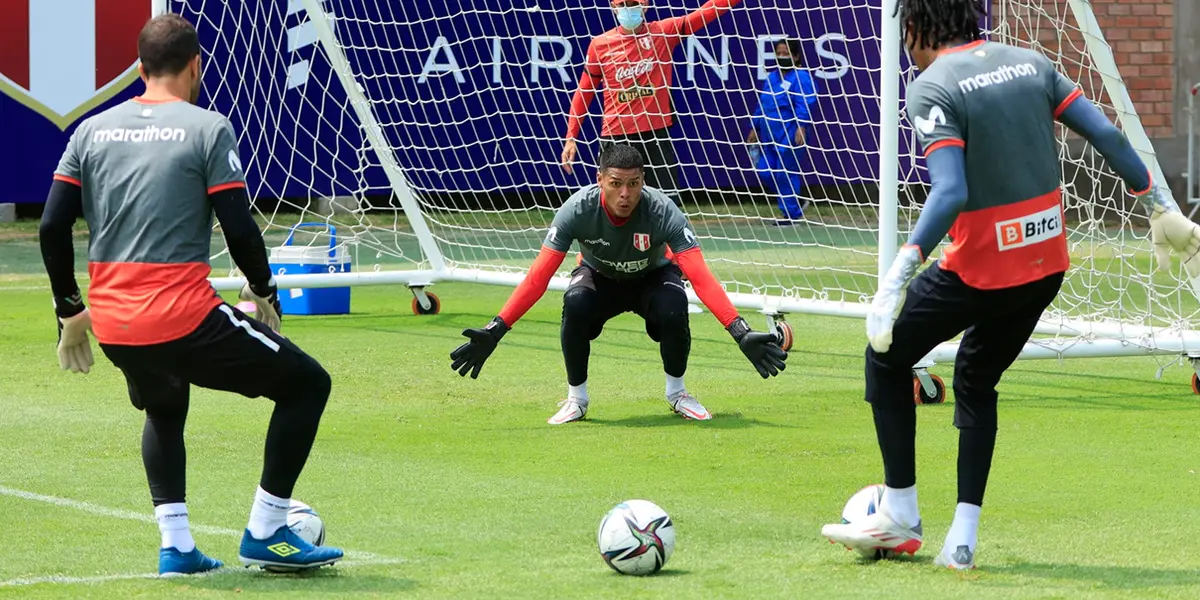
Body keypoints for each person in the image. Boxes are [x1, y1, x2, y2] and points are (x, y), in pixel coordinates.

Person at [819, 0, 1200, 570]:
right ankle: (962, 543)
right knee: (975, 378)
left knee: (886, 359)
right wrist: (1159, 205)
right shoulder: (1031, 62)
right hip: (1046, 266)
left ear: (918, 26)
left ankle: (900, 515)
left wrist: (898, 273)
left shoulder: (932, 86)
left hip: (978, 272)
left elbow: (949, 193)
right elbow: (1109, 136)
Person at [39, 14, 345, 575]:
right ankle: (268, 529)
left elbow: (51, 228)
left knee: (163, 402)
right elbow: (240, 226)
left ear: (138, 69)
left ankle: (176, 547)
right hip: (182, 318)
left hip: (113, 324)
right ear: (195, 66)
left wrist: (70, 311)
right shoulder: (207, 127)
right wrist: (264, 293)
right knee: (307, 384)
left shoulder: (90, 130)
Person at [451, 144, 788, 424]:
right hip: (600, 278)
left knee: (675, 305)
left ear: (643, 181)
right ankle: (577, 399)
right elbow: (538, 277)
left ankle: (677, 393)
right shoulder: (576, 211)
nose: (625, 194)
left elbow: (700, 275)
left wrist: (740, 331)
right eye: (615, 184)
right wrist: (496, 328)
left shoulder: (664, 211)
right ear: (600, 180)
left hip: (652, 278)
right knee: (576, 302)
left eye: (634, 184)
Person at [560, 0, 742, 205]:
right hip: (616, 136)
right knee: (614, 206)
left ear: (645, 5)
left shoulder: (663, 32)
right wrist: (571, 137)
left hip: (655, 136)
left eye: (634, 3)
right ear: (613, 7)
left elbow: (705, 12)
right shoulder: (600, 44)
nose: (629, 8)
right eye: (623, 4)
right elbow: (584, 91)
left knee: (665, 208)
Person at [746, 38, 818, 222]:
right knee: (764, 171)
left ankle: (791, 214)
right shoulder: (772, 78)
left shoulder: (801, 77)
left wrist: (801, 125)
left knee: (785, 173)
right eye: (779, 53)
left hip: (789, 133)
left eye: (786, 53)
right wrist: (755, 126)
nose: (782, 56)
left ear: (796, 56)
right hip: (769, 134)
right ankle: (796, 200)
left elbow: (805, 102)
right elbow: (763, 104)